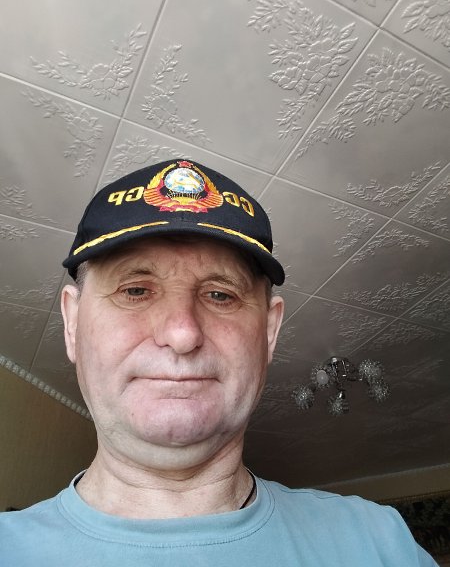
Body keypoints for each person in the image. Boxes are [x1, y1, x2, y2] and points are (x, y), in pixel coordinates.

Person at [0, 159, 437, 566]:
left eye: (220, 295)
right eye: (135, 290)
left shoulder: (378, 543)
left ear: (269, 332)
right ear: (73, 323)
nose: (182, 333)